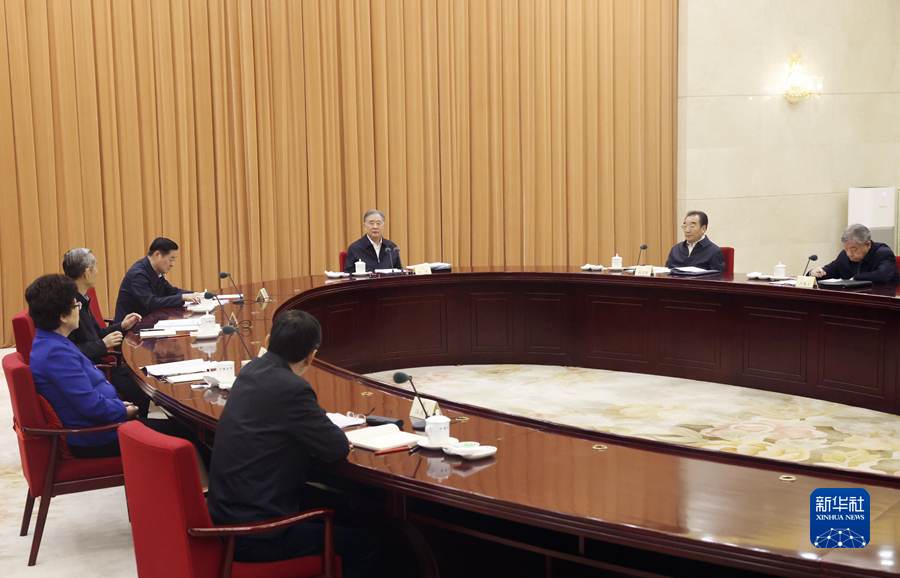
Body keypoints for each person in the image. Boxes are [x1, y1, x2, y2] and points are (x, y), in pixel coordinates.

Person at [207, 310, 378, 578]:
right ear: (312, 356)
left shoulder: (251, 370)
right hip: (258, 536)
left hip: (224, 520)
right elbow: (336, 448)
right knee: (366, 546)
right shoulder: (293, 388)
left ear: (268, 341)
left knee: (342, 516)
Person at [26, 274, 206, 460]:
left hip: (102, 423)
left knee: (182, 426)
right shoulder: (56, 354)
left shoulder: (52, 342)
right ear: (63, 316)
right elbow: (91, 406)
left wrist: (118, 405)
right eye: (76, 306)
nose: (79, 310)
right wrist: (122, 411)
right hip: (96, 437)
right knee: (190, 434)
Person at [62, 248, 151, 417]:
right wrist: (103, 345)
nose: (97, 271)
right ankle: (135, 427)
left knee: (142, 375)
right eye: (95, 266)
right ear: (87, 273)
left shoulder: (82, 299)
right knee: (139, 389)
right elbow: (69, 350)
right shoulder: (71, 306)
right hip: (90, 370)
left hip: (96, 364)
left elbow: (96, 333)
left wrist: (122, 326)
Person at [113, 237, 203, 323]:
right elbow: (151, 303)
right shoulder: (138, 275)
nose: (172, 264)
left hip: (150, 322)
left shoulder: (154, 270)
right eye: (171, 259)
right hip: (131, 328)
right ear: (157, 255)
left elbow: (171, 292)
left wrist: (198, 295)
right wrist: (183, 297)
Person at [809, 223, 900, 284]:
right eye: (846, 249)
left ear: (867, 244)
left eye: (854, 249)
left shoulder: (884, 254)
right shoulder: (844, 256)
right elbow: (829, 271)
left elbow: (881, 276)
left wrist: (856, 278)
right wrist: (813, 273)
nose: (849, 254)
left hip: (884, 302)